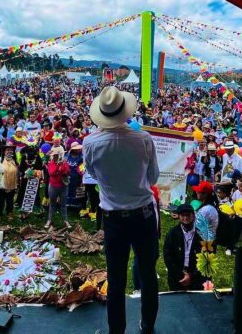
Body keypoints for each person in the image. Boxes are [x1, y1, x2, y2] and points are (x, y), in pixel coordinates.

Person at [84, 86, 159, 334]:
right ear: (125, 111)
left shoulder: (90, 143)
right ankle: (147, 325)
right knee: (148, 274)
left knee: (116, 280)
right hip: (144, 215)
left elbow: (93, 175)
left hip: (113, 218)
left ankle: (116, 331)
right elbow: (154, 178)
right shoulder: (144, 139)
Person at [163, 203, 204, 291]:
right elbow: (168, 257)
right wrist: (181, 275)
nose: (185, 218)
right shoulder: (172, 233)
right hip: (177, 276)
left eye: (188, 215)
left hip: (197, 276)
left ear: (193, 215)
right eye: (182, 215)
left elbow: (208, 257)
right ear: (178, 216)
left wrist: (192, 276)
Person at [45, 147, 71, 230]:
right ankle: (49, 220)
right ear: (54, 156)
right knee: (52, 204)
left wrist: (62, 168)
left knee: (63, 204)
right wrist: (58, 167)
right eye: (57, 155)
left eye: (60, 154)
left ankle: (65, 220)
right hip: (53, 186)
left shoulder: (64, 162)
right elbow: (51, 173)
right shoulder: (51, 163)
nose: (59, 156)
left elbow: (67, 171)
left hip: (63, 186)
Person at [0, 144, 18, 222]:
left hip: (12, 185)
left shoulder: (14, 160)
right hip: (1, 185)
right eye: (7, 150)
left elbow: (17, 171)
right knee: (0, 201)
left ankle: (9, 213)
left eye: (11, 150)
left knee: (10, 201)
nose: (9, 151)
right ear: (4, 152)